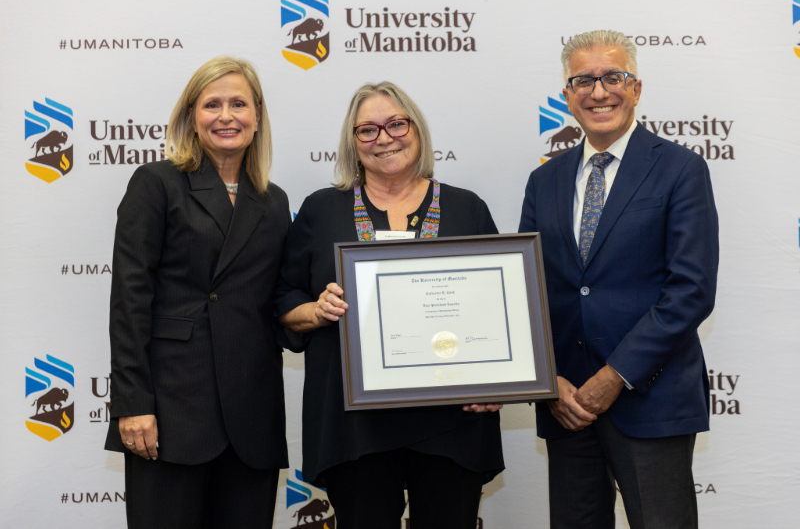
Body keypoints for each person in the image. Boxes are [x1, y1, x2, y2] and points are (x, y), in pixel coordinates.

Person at [275, 82, 504, 529]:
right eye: (367, 130)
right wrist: (316, 310)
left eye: (396, 124)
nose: (384, 138)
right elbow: (282, 299)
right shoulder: (322, 210)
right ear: (352, 143)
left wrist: (497, 379)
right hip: (355, 426)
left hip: (450, 420)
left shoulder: (465, 208)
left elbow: (499, 309)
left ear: (416, 131)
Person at [518, 30, 719, 529]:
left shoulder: (680, 169)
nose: (599, 91)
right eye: (583, 80)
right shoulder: (545, 180)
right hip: (568, 407)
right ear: (566, 95)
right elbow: (525, 292)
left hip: (650, 399)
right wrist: (551, 382)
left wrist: (614, 377)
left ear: (637, 87)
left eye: (613, 77)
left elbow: (691, 291)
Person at [104, 56, 291, 528]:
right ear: (191, 117)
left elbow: (275, 302)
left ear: (258, 116)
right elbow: (129, 300)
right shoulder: (157, 183)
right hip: (170, 414)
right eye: (212, 104)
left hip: (251, 419)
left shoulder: (274, 200)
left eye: (238, 104)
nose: (226, 116)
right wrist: (133, 405)